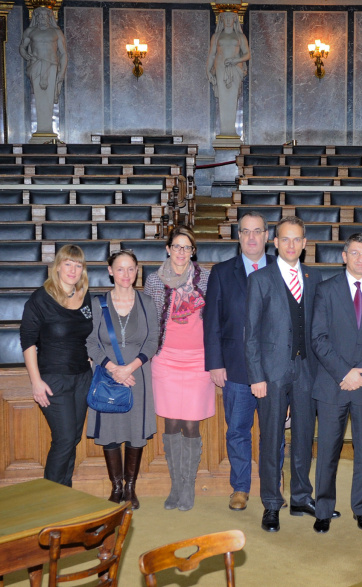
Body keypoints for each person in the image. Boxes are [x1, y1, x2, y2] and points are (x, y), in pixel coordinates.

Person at [245, 216, 339, 532]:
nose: (291, 244)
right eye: (285, 238)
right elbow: (251, 334)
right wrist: (256, 376)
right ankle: (272, 503)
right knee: (271, 438)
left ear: (305, 243)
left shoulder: (314, 278)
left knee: (303, 436)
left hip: (307, 370)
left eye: (297, 239)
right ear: (275, 242)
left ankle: (301, 497)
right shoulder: (260, 279)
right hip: (271, 372)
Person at [310, 234, 362, 533]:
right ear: (344, 256)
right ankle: (323, 509)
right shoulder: (326, 290)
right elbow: (318, 337)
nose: (361, 258)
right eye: (356, 253)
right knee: (327, 450)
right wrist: (344, 373)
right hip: (332, 383)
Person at [204, 212, 274, 512]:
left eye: (257, 231)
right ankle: (241, 488)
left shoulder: (281, 268)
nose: (252, 237)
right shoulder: (221, 273)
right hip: (235, 367)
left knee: (272, 433)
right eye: (246, 231)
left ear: (267, 236)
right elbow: (212, 322)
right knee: (237, 431)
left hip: (274, 369)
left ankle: (272, 486)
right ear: (239, 236)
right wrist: (215, 362)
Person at [144, 226, 212, 511]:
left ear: (193, 251)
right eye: (177, 246)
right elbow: (149, 321)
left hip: (198, 360)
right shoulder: (153, 280)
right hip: (166, 359)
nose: (181, 252)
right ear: (168, 249)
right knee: (171, 423)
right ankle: (176, 485)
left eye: (187, 247)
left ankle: (188, 485)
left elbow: (215, 318)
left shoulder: (205, 278)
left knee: (191, 423)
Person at [86, 250, 159, 509]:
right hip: (107, 376)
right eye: (120, 268)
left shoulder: (147, 302)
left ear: (137, 270)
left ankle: (130, 487)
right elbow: (91, 343)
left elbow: (152, 341)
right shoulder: (98, 303)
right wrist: (113, 369)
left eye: (130, 268)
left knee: (135, 431)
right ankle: (116, 487)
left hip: (138, 376)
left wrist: (129, 368)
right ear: (110, 271)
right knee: (110, 431)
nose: (126, 274)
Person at [20, 245, 92, 487]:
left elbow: (87, 334)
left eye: (78, 265)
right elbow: (28, 342)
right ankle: (50, 495)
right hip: (54, 379)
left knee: (73, 439)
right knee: (64, 439)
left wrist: (91, 358)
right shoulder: (41, 298)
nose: (73, 269)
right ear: (58, 267)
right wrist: (36, 382)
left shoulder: (85, 296)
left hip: (82, 377)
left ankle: (65, 490)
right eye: (68, 264)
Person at [18, 6, 67, 136]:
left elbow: (63, 53)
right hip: (36, 65)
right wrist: (27, 56)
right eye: (39, 16)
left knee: (49, 96)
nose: (42, 18)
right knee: (39, 97)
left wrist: (62, 72)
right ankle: (42, 131)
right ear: (36, 17)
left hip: (52, 66)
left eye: (45, 16)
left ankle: (47, 131)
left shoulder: (56, 32)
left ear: (49, 17)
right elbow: (22, 47)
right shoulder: (30, 31)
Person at [207, 10, 250, 138]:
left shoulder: (240, 36)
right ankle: (224, 131)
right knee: (223, 98)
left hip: (235, 68)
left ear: (235, 19)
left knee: (232, 97)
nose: (227, 20)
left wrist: (235, 60)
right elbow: (211, 55)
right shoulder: (216, 36)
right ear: (221, 19)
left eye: (230, 17)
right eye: (225, 17)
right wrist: (208, 71)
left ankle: (231, 131)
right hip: (220, 68)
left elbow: (247, 54)